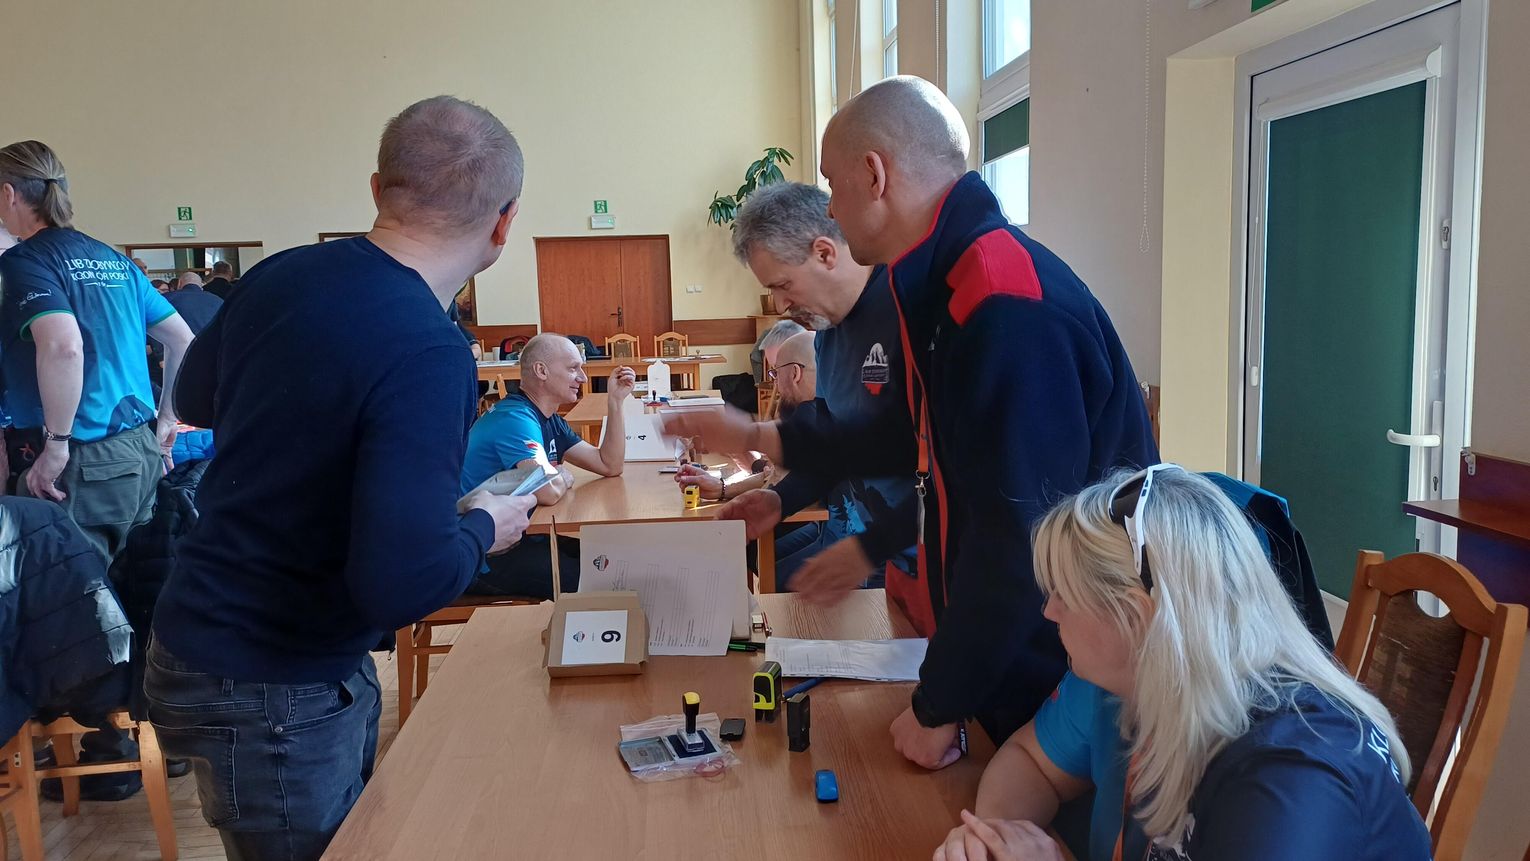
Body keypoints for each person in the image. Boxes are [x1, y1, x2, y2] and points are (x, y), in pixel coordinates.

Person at [663, 76, 1157, 769]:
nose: (831, 207)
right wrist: (755, 439)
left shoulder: (1001, 301)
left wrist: (940, 704)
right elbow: (909, 443)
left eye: (832, 185)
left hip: (1067, 660)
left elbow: (1016, 532)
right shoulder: (942, 285)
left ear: (874, 174)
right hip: (996, 647)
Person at [145, 96, 537, 860]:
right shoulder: (430, 348)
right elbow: (402, 584)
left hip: (210, 627)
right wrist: (483, 527)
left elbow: (194, 399)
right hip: (272, 671)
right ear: (503, 223)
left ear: (377, 188)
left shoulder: (281, 274)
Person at [934, 467, 1430, 861]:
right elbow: (1031, 761)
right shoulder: (1127, 679)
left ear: (1134, 616)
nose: (1049, 611)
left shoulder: (1291, 777)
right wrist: (995, 840)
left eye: (1064, 592)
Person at [0, 139, 196, 801]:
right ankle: (153, 738)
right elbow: (182, 339)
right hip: (136, 448)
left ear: (9, 195)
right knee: (136, 587)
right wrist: (168, 419)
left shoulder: (26, 262)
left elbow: (62, 345)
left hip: (79, 457)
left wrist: (55, 444)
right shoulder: (111, 258)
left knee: (78, 603)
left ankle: (113, 750)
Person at [726, 181, 917, 594]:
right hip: (850, 548)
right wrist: (780, 499)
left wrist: (869, 550)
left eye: (783, 285)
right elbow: (832, 452)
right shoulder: (827, 335)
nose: (780, 306)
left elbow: (958, 477)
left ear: (825, 253)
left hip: (905, 567)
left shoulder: (907, 311)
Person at [459, 332, 634, 598]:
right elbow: (547, 491)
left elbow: (609, 464)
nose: (583, 378)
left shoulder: (548, 418)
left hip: (520, 535)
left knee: (619, 559)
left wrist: (616, 402)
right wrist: (561, 476)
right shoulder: (516, 418)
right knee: (607, 581)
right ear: (541, 371)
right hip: (481, 555)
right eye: (573, 368)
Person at [150, 271, 224, 389]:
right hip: (211, 359)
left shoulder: (167, 299)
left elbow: (155, 326)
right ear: (201, 286)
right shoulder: (218, 301)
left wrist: (161, 356)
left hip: (176, 359)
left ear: (179, 284)